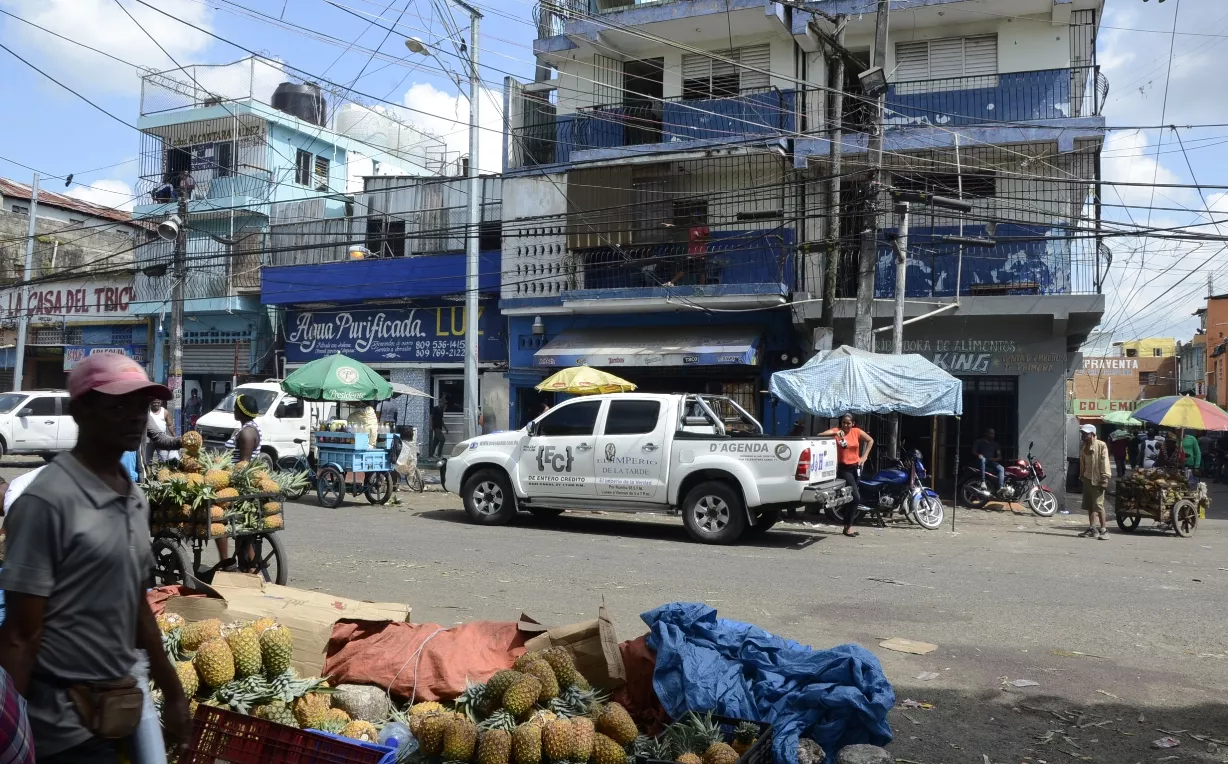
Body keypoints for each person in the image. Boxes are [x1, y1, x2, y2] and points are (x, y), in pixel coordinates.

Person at [0, 353, 190, 762]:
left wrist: (171, 689)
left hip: (121, 708)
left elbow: (137, 603)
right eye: (118, 405)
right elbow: (20, 635)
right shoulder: (47, 502)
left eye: (142, 405)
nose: (135, 416)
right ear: (80, 411)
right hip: (60, 727)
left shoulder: (134, 498)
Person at [221, 393, 263, 567]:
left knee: (216, 519)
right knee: (242, 530)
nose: (234, 410)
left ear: (242, 411)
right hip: (233, 478)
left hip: (238, 482)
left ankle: (225, 561)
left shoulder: (247, 432)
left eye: (236, 407)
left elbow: (243, 464)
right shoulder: (246, 427)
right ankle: (248, 563)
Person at [822, 414, 874, 538]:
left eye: (848, 423)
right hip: (844, 469)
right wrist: (836, 434)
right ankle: (848, 526)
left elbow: (870, 440)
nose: (846, 425)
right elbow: (820, 435)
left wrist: (864, 457)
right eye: (844, 423)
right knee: (856, 497)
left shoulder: (856, 431)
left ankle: (847, 526)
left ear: (853, 423)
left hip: (856, 468)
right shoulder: (837, 431)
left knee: (851, 499)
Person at [1078, 423, 1111, 540]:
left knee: (1098, 505)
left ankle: (1104, 530)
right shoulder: (1084, 446)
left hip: (1098, 479)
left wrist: (1105, 478)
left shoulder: (1101, 445)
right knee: (1089, 505)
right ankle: (1093, 529)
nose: (1083, 435)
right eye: (1082, 433)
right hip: (1087, 478)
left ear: (1092, 434)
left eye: (1085, 434)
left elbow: (1104, 462)